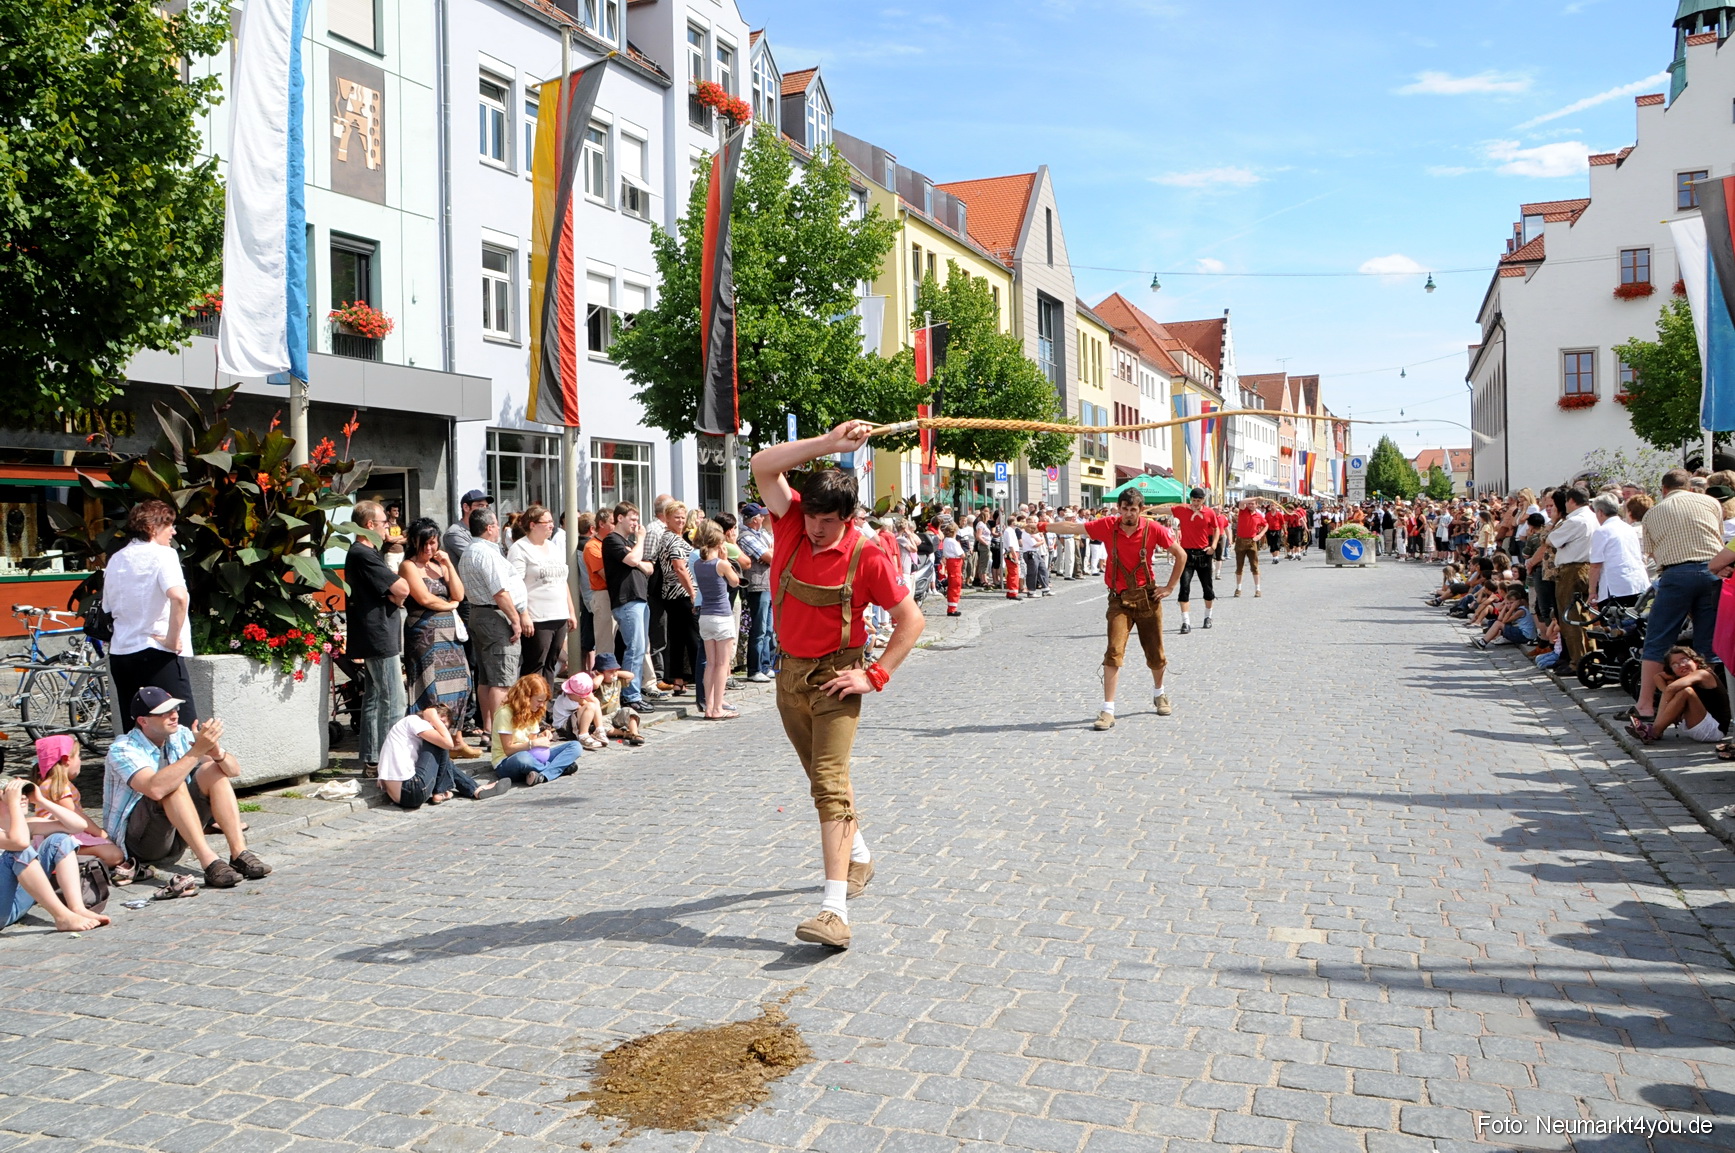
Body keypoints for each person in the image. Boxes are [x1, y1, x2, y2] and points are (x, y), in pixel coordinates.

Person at [750, 420, 926, 950]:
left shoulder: (868, 555)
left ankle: (834, 911)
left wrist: (874, 674)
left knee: (828, 784)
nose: (816, 529)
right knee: (823, 779)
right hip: (789, 678)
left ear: (848, 518)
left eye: (828, 521)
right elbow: (762, 464)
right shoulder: (789, 524)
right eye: (811, 517)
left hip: (836, 682)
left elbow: (911, 620)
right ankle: (861, 855)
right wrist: (829, 444)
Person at [103, 687, 272, 889]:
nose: (174, 715)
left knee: (212, 770)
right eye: (164, 712)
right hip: (140, 845)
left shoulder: (181, 734)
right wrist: (198, 750)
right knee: (171, 785)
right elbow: (155, 789)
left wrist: (216, 752)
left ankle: (239, 854)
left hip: (177, 835)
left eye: (175, 709)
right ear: (143, 721)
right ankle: (209, 862)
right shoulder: (122, 749)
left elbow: (234, 771)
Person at [1050, 489, 1187, 730]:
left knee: (1155, 654)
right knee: (1113, 651)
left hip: (1147, 598)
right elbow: (1073, 528)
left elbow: (1181, 555)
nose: (1128, 514)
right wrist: (1042, 527)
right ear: (1119, 508)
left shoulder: (1154, 529)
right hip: (1118, 600)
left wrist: (1169, 587)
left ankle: (1159, 693)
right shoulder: (1107, 526)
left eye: (1133, 509)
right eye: (1124, 509)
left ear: (1140, 509)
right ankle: (1108, 710)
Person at [103, 499, 197, 733]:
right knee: (182, 730)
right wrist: (172, 640)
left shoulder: (117, 558)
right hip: (157, 653)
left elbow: (108, 607)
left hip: (122, 653)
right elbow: (179, 597)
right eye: (169, 525)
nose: (173, 532)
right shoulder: (163, 555)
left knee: (137, 732)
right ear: (152, 528)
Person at [398, 518, 482, 759]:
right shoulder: (408, 566)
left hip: (449, 634)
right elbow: (424, 599)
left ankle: (456, 739)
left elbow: (459, 593)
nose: (429, 548)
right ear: (414, 542)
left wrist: (448, 565)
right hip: (424, 634)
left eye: (433, 543)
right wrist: (450, 605)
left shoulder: (439, 564)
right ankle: (433, 741)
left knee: (461, 683)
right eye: (424, 543)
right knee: (431, 687)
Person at [458, 506, 533, 744]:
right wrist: (515, 619)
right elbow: (500, 592)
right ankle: (503, 736)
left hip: (479, 614)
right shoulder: (486, 553)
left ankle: (489, 730)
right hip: (494, 615)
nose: (500, 529)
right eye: (497, 525)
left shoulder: (470, 551)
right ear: (490, 528)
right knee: (502, 679)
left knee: (486, 678)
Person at [346, 500, 411, 768]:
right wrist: (396, 594)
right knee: (393, 699)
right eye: (385, 523)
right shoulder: (363, 554)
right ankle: (391, 762)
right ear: (370, 525)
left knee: (374, 698)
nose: (388, 528)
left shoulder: (365, 553)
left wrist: (395, 593)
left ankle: (373, 759)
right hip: (378, 634)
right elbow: (402, 588)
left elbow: (395, 590)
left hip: (374, 632)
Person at [1, 779, 110, 933]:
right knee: (20, 852)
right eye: (13, 793)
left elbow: (78, 826)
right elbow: (19, 842)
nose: (22, 796)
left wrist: (40, 800)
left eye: (24, 792)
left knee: (59, 840)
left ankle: (77, 908)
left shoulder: (25, 825)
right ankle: (62, 917)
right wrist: (14, 803)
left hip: (15, 903)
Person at [376, 704, 504, 808]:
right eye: (441, 721)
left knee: (441, 746)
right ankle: (444, 791)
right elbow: (448, 743)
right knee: (441, 742)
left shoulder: (406, 728)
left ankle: (473, 789)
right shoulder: (414, 720)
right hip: (411, 790)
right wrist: (434, 719)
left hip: (401, 795)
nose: (440, 726)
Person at [32, 735, 125, 875]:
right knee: (114, 855)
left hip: (64, 835)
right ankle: (65, 863)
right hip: (63, 838)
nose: (80, 760)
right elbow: (76, 815)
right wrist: (101, 834)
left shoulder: (52, 784)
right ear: (67, 759)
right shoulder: (57, 786)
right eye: (78, 756)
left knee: (114, 853)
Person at [509, 503, 578, 685]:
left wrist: (570, 611)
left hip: (559, 615)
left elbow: (562, 581)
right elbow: (516, 585)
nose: (551, 525)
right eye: (546, 522)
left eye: (552, 522)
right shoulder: (520, 548)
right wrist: (523, 615)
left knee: (551, 663)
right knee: (535, 665)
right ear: (533, 525)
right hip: (537, 617)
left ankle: (545, 701)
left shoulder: (553, 547)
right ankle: (529, 702)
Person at [602, 503, 658, 712]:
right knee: (634, 648)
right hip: (627, 600)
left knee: (640, 648)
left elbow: (649, 568)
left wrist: (636, 560)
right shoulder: (612, 540)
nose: (636, 524)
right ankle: (630, 695)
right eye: (632, 519)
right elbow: (634, 559)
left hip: (640, 598)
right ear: (620, 518)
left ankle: (634, 692)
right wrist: (640, 542)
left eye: (637, 519)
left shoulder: (629, 543)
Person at [491, 674, 582, 786]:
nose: (542, 705)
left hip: (531, 757)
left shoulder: (533, 711)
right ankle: (558, 767)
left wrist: (541, 737)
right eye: (539, 701)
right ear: (525, 698)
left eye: (544, 701)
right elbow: (508, 750)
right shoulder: (504, 713)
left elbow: (533, 744)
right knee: (523, 758)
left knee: (575, 746)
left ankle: (543, 775)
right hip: (507, 761)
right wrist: (533, 743)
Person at [693, 522, 743, 720]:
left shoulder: (698, 564)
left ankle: (708, 707)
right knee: (722, 665)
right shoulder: (721, 564)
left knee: (711, 664)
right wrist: (725, 559)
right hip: (722, 615)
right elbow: (735, 581)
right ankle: (717, 708)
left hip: (705, 616)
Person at [1630, 647, 1729, 744]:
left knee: (1685, 691)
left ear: (1696, 661)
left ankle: (1654, 731)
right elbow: (1658, 676)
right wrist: (1669, 697)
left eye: (1684, 660)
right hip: (1698, 725)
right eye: (1675, 664)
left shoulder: (1703, 674)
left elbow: (1671, 689)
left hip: (1713, 730)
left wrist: (1669, 697)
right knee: (1672, 686)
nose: (1681, 665)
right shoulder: (1684, 676)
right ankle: (1656, 729)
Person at [1586, 494, 1648, 611]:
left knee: (1615, 619)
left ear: (1600, 512)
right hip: (1637, 583)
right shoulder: (1628, 528)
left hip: (1616, 587)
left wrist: (1592, 591)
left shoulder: (1602, 531)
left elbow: (1595, 565)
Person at [1170, 488, 1218, 634]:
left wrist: (1213, 546)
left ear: (1203, 500)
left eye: (1199, 500)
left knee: (1207, 587)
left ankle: (1208, 617)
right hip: (1187, 554)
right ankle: (1186, 622)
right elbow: (1165, 510)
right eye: (1194, 500)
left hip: (1204, 553)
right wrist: (1143, 508)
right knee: (1184, 587)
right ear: (1191, 499)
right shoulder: (1183, 509)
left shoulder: (1209, 512)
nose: (1196, 503)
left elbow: (1216, 528)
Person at [738, 504, 777, 682]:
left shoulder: (760, 534)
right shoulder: (746, 536)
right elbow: (770, 557)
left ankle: (765, 665)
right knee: (759, 629)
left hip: (767, 584)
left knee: (768, 629)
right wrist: (768, 553)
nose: (764, 518)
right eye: (761, 516)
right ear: (755, 520)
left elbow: (774, 552)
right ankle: (754, 669)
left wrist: (769, 552)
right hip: (757, 586)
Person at [590, 654, 645, 745]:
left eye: (615, 670)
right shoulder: (599, 683)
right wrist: (601, 675)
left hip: (616, 713)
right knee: (601, 728)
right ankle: (624, 733)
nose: (614, 674)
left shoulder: (618, 680)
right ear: (600, 672)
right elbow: (594, 685)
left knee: (629, 711)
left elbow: (631, 675)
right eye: (610, 671)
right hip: (602, 717)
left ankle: (635, 733)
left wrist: (615, 673)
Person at [583, 509, 614, 670]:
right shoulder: (592, 546)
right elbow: (606, 575)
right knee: (605, 643)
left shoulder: (615, 542)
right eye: (613, 522)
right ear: (601, 524)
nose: (616, 526)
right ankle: (605, 679)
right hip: (603, 595)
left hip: (618, 595)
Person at [553, 673, 607, 750]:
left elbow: (594, 701)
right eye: (582, 696)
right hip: (564, 727)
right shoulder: (567, 701)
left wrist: (591, 699)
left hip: (572, 723)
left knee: (594, 702)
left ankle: (599, 730)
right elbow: (587, 705)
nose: (583, 697)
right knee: (590, 706)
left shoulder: (573, 696)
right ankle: (583, 735)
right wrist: (590, 698)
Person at [443, 489, 492, 564]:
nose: (485, 510)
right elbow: (477, 560)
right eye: (480, 505)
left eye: (487, 506)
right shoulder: (455, 533)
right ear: (466, 507)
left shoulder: (485, 530)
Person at [1232, 498, 1266, 598]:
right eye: (1249, 504)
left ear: (1256, 505)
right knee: (1239, 566)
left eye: (1253, 504)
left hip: (1252, 541)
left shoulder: (1258, 516)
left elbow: (1266, 525)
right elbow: (1242, 502)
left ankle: (1258, 589)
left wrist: (1260, 535)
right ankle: (1238, 588)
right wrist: (1256, 498)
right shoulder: (1243, 511)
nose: (1250, 505)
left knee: (1254, 566)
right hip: (1240, 541)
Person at [940, 524, 967, 617]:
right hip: (955, 562)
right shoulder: (952, 541)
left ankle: (952, 607)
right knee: (955, 584)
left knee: (952, 584)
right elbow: (962, 554)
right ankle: (952, 608)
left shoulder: (946, 540)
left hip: (950, 561)